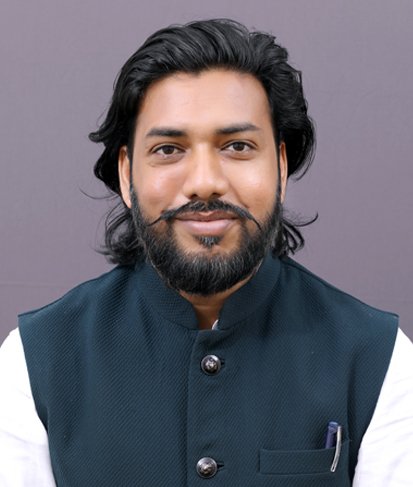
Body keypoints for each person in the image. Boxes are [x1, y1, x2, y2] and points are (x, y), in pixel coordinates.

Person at [0, 19, 412, 486]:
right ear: (126, 174)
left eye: (237, 146)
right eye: (168, 149)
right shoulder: (33, 363)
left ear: (280, 165)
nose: (204, 182)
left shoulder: (380, 361)